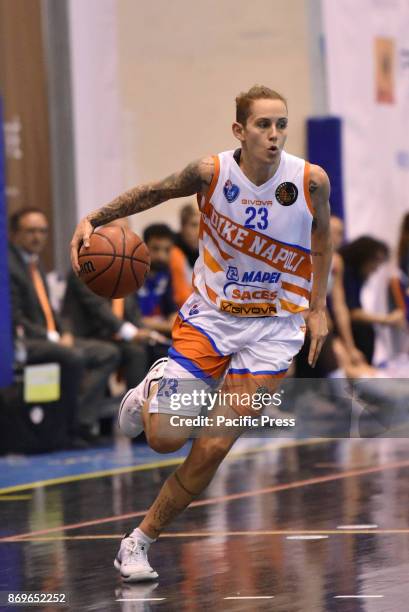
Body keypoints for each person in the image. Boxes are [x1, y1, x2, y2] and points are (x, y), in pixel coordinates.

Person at [71, 85, 332, 582]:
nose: (274, 135)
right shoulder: (211, 173)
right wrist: (94, 218)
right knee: (166, 438)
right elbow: (152, 192)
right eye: (262, 125)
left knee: (213, 446)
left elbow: (322, 238)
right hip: (211, 319)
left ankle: (139, 541)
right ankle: (151, 388)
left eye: (280, 124)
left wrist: (317, 306)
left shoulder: (310, 181)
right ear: (239, 130)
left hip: (274, 333)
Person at [9, 208, 120, 446]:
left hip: (50, 336)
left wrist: (65, 332)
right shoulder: (8, 266)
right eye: (30, 231)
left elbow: (49, 308)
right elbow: (15, 318)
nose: (37, 237)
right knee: (72, 356)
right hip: (24, 341)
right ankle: (66, 430)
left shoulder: (34, 262)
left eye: (42, 231)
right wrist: (52, 337)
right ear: (15, 234)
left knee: (107, 353)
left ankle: (81, 421)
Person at [339, 236, 405, 363]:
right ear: (363, 256)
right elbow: (352, 313)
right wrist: (387, 319)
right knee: (364, 331)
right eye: (376, 261)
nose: (376, 268)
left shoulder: (356, 276)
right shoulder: (345, 272)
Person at [137, 224, 178, 360]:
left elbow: (171, 309)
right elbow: (133, 319)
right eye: (155, 249)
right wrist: (168, 326)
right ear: (144, 247)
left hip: (157, 331)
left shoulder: (165, 273)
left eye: (167, 250)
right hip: (136, 334)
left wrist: (176, 323)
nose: (161, 256)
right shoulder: (132, 273)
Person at [169, 203, 200, 308]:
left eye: (204, 225)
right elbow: (183, 298)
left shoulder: (206, 251)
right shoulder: (173, 252)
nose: (200, 230)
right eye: (194, 225)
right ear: (183, 226)